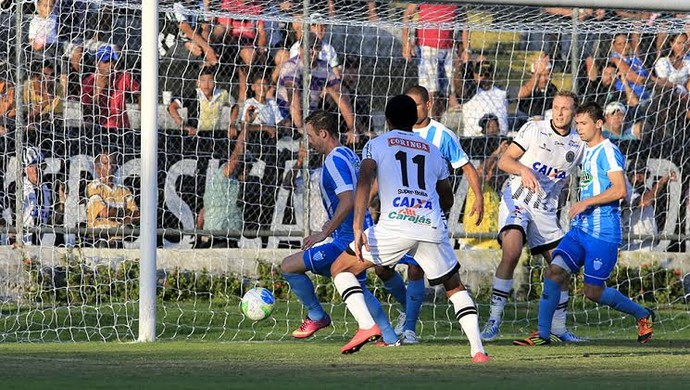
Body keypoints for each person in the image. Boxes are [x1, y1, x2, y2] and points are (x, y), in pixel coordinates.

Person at [328, 95, 488, 362]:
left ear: (387, 120)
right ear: (414, 119)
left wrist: (358, 226)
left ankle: (368, 325)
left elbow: (365, 183)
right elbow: (447, 198)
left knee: (340, 269)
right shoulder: (432, 149)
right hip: (431, 226)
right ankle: (478, 350)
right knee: (454, 287)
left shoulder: (375, 145)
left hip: (394, 225)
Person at [514, 101, 655, 346]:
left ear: (599, 124)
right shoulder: (584, 149)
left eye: (583, 123)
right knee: (553, 272)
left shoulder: (608, 150)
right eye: (577, 123)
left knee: (593, 292)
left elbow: (620, 190)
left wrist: (585, 202)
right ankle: (543, 334)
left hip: (603, 232)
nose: (579, 128)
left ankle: (642, 314)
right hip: (580, 229)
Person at [374, 85, 484, 345]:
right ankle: (407, 309)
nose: (412, 111)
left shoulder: (442, 135)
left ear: (428, 105)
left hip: (427, 215)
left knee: (415, 270)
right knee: (380, 268)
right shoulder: (396, 134)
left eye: (417, 106)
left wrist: (478, 198)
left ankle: (409, 329)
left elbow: (465, 166)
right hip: (397, 214)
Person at [278, 110, 399, 346]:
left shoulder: (333, 160)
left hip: (345, 238)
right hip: (361, 232)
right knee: (356, 286)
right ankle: (389, 336)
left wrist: (323, 233)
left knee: (289, 266)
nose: (309, 142)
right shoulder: (349, 154)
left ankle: (317, 316)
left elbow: (348, 200)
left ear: (323, 133)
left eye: (310, 136)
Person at [481, 91, 586, 342]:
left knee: (561, 268)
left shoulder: (579, 143)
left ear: (574, 112)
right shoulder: (534, 129)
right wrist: (523, 169)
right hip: (517, 198)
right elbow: (505, 161)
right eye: (556, 107)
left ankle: (559, 329)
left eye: (565, 109)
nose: (560, 113)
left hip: (545, 210)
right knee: (513, 250)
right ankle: (493, 321)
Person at [276, 33, 358, 143]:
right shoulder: (291, 66)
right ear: (300, 49)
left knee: (344, 96)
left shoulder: (324, 67)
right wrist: (301, 128)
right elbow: (293, 96)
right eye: (309, 47)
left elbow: (339, 96)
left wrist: (352, 128)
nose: (312, 52)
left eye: (316, 48)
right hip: (287, 113)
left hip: (311, 115)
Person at [622, 158, 677, 251]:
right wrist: (662, 182)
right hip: (633, 243)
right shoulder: (627, 191)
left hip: (649, 240)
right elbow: (643, 202)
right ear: (630, 175)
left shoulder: (646, 190)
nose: (639, 177)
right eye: (636, 174)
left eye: (642, 174)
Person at [168, 66, 239, 138]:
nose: (206, 84)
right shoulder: (193, 95)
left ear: (215, 82)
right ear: (197, 83)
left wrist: (232, 124)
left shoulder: (222, 94)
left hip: (215, 134)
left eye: (210, 80)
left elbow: (235, 105)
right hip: (196, 134)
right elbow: (171, 107)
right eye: (203, 81)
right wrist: (184, 126)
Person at [86, 152, 139, 247]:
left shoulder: (124, 190)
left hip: (120, 241)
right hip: (99, 240)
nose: (110, 167)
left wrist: (116, 214)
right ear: (96, 168)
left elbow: (136, 216)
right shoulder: (93, 187)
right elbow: (104, 213)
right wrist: (126, 214)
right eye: (105, 164)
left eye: (112, 163)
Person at [461, 61, 509, 136]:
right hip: (475, 140)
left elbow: (522, 93)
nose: (484, 77)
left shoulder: (501, 92)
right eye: (481, 74)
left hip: (499, 138)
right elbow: (459, 87)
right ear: (475, 75)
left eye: (487, 74)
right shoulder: (470, 91)